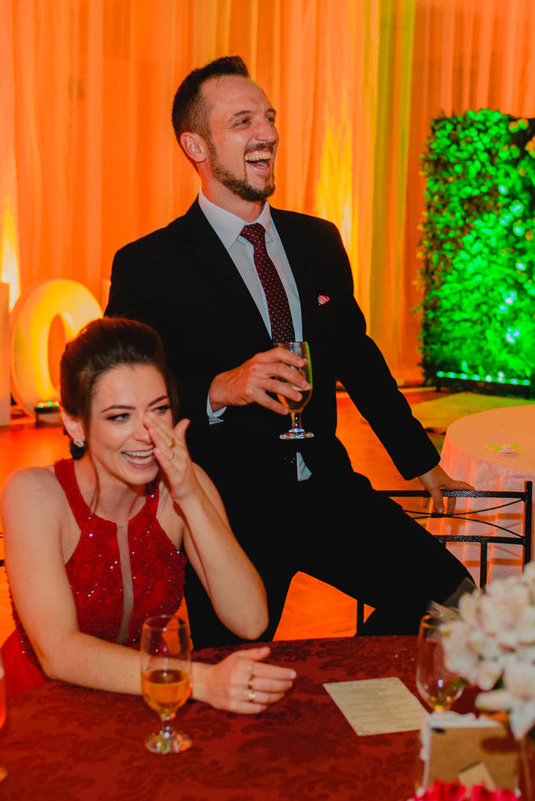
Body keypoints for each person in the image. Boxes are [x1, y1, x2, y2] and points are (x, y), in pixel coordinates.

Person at [104, 56, 474, 648]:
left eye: (270, 118)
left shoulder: (317, 240)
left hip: (326, 487)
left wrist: (420, 461)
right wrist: (219, 388)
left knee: (457, 603)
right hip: (228, 512)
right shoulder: (150, 263)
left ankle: (344, 698)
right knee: (234, 680)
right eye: (243, 120)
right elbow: (119, 393)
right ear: (195, 145)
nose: (268, 134)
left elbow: (356, 355)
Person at [0, 317, 296, 713]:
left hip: (143, 702)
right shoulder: (34, 494)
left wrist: (190, 494)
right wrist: (199, 680)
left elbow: (250, 619)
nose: (146, 434)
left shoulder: (182, 486)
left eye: (158, 410)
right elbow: (59, 652)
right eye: (119, 416)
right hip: (41, 708)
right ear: (75, 423)